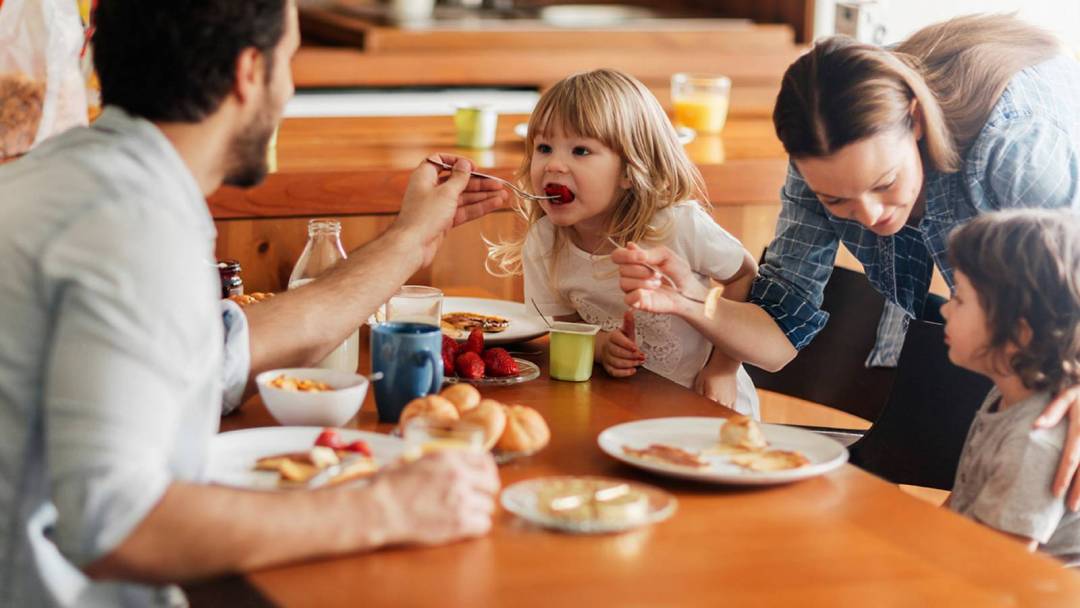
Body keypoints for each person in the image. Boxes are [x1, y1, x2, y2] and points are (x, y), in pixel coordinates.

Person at [0, 1, 509, 606]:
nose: (289, 87)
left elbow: (223, 355)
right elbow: (118, 524)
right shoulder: (133, 223)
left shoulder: (70, 175)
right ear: (249, 72)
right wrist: (388, 507)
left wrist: (408, 243)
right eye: (288, 61)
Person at [613, 14, 1080, 506]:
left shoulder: (1011, 148)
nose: (871, 215)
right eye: (837, 201)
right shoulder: (817, 163)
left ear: (916, 122)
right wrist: (691, 298)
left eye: (884, 184)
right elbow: (777, 336)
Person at [487, 69, 759, 416]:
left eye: (581, 150)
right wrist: (600, 347)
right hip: (625, 408)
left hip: (711, 405)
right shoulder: (544, 243)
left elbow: (743, 274)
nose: (554, 164)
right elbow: (562, 331)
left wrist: (722, 369)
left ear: (631, 171)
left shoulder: (676, 226)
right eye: (544, 147)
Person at [940, 210, 1080, 566]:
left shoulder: (1033, 438)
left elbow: (995, 569)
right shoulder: (1005, 395)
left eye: (959, 298)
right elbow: (963, 505)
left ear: (1019, 333)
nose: (944, 309)